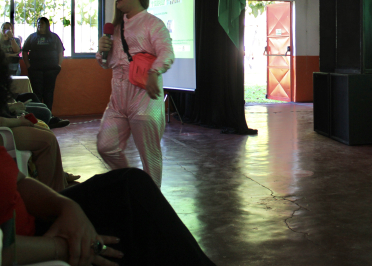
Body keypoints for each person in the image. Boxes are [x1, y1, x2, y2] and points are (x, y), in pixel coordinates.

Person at [0, 146, 216, 266]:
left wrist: (67, 206)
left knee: (129, 186)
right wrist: (66, 247)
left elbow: (18, 180)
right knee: (136, 235)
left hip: (28, 220)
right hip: (25, 247)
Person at [96, 0, 174, 188]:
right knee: (105, 146)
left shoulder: (153, 24)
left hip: (144, 98)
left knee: (150, 156)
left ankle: (152, 200)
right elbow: (107, 64)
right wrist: (102, 51)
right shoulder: (116, 28)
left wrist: (154, 72)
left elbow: (167, 52)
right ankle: (131, 184)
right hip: (117, 101)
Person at [0, 50, 69, 191]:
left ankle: (60, 182)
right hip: (4, 131)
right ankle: (53, 194)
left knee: (46, 131)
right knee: (47, 141)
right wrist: (19, 122)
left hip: (6, 125)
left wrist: (11, 108)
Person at [22, 17, 64, 114]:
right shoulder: (32, 37)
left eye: (42, 23)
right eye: (38, 23)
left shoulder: (54, 37)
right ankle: (38, 115)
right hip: (35, 70)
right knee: (37, 92)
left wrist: (59, 65)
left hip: (51, 69)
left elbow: (60, 52)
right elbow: (24, 51)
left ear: (47, 25)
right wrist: (28, 66)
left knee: (48, 93)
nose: (39, 24)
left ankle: (48, 115)